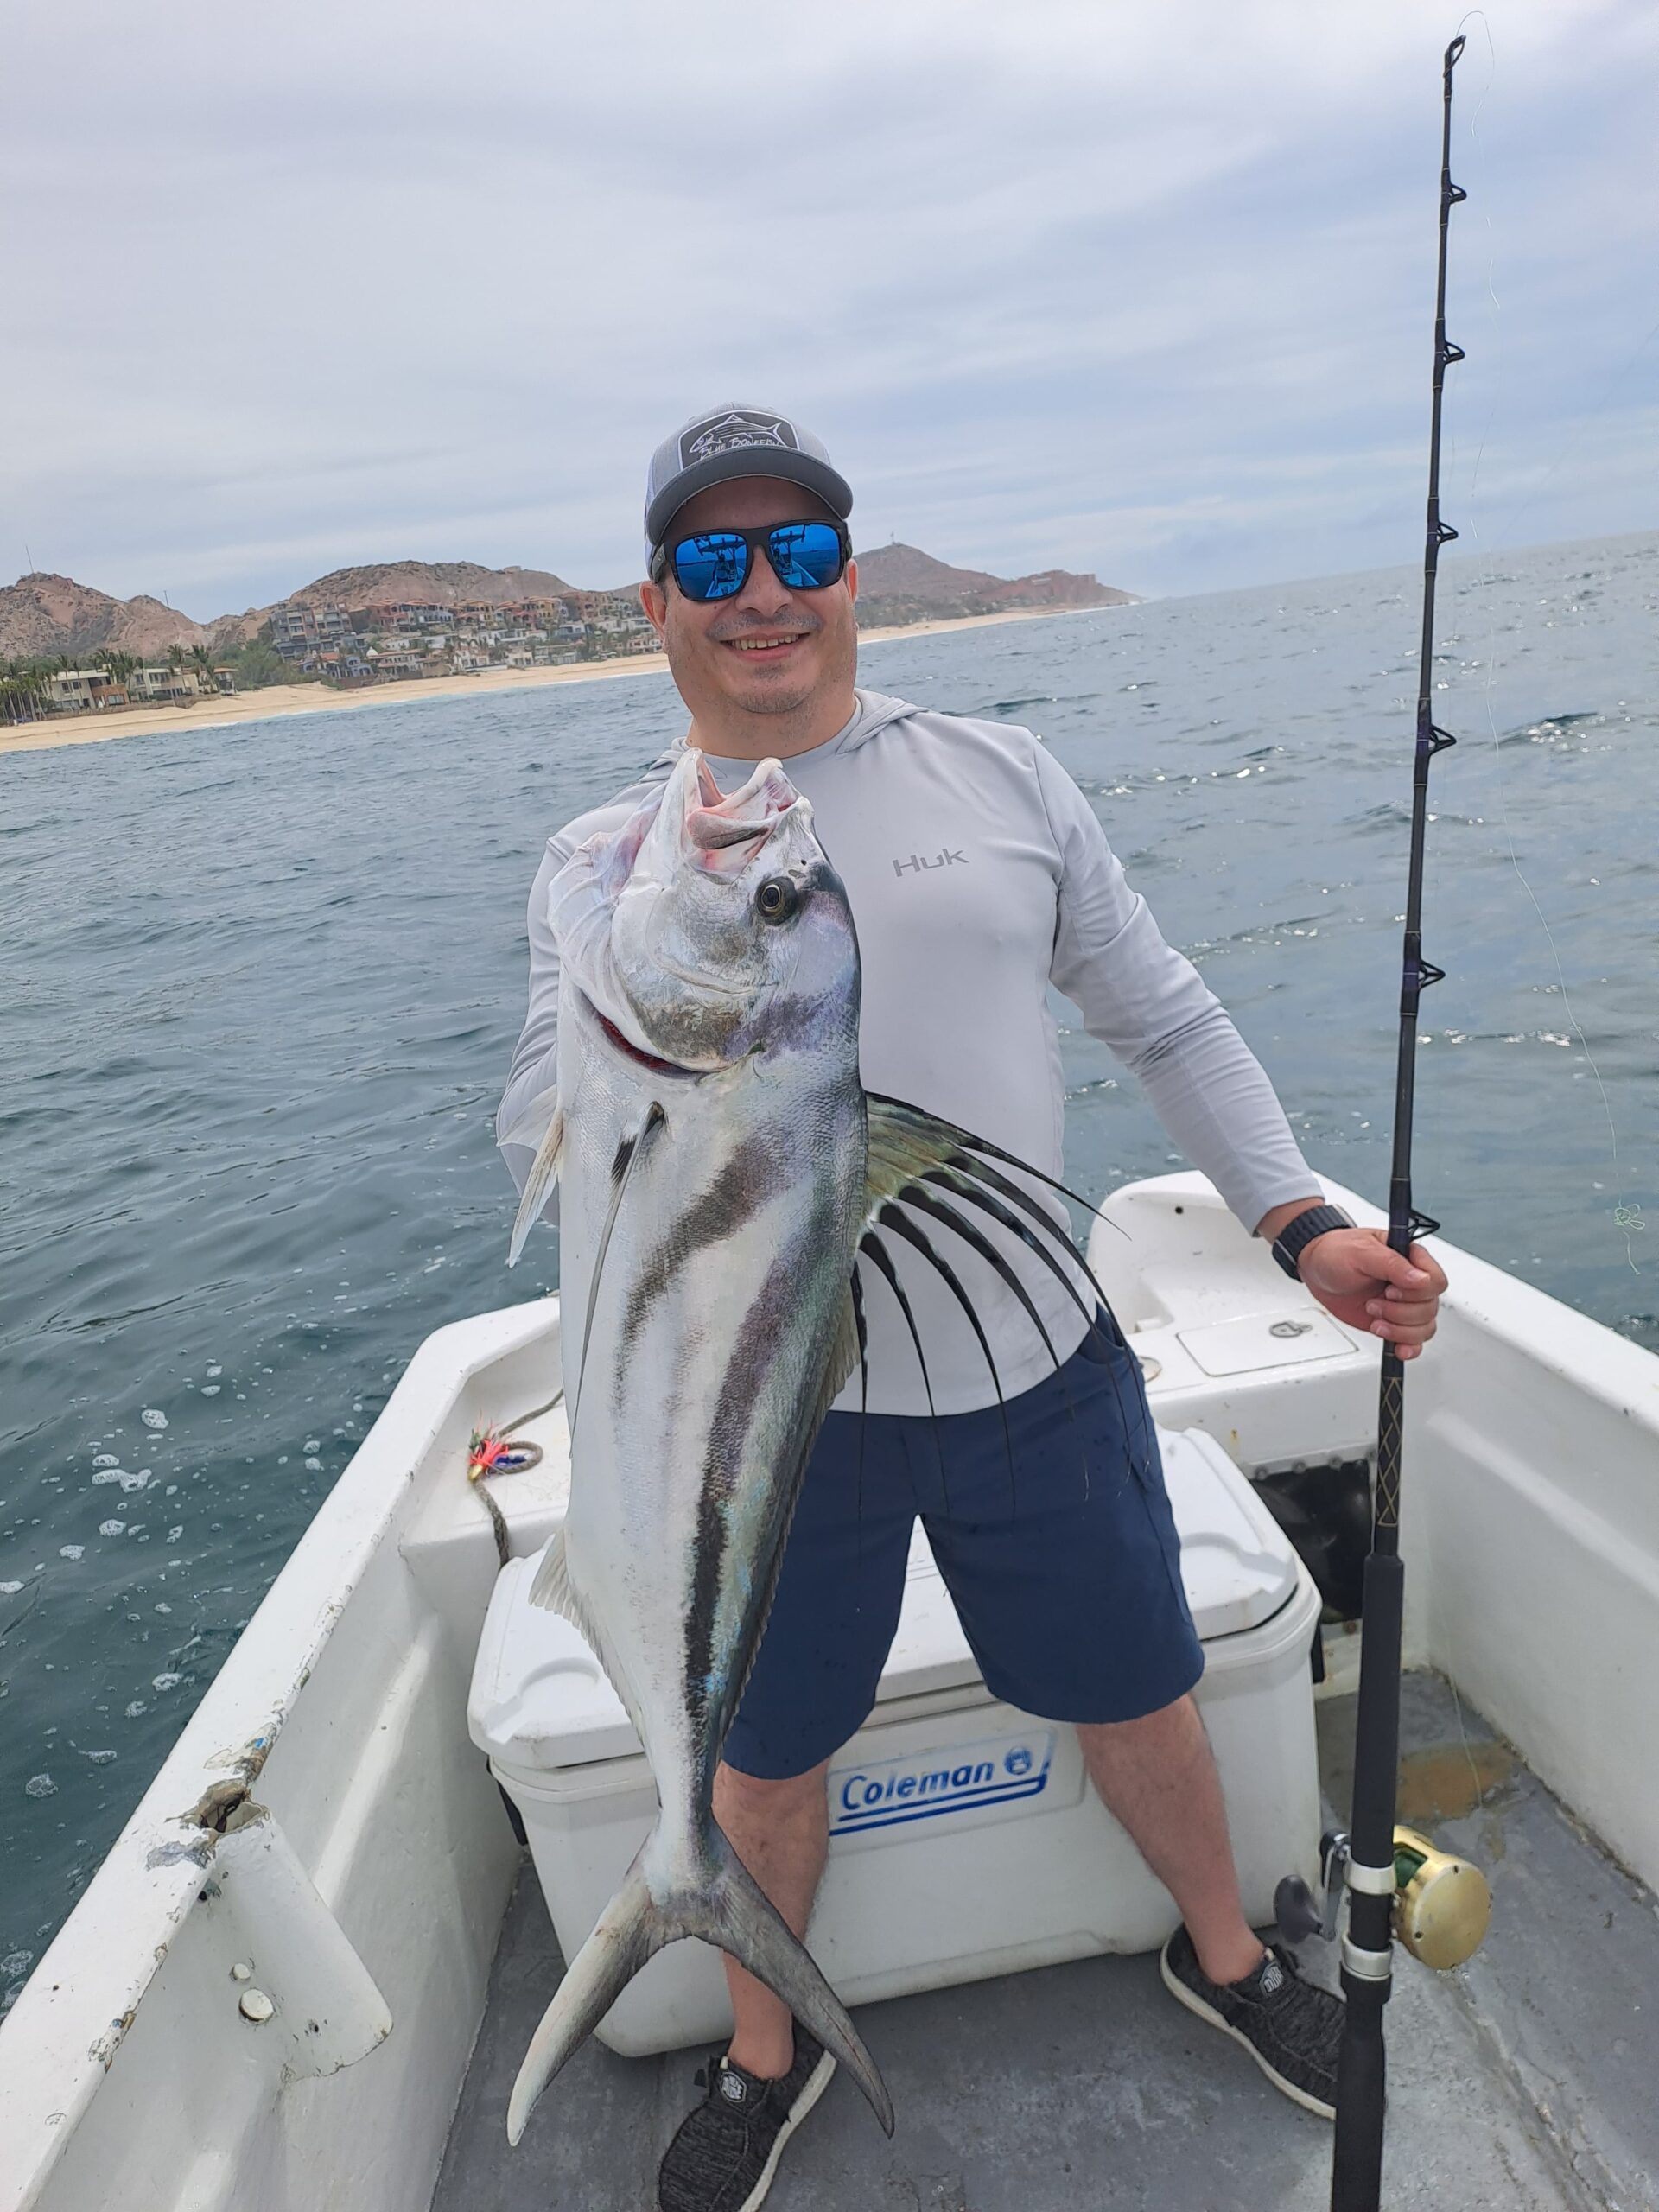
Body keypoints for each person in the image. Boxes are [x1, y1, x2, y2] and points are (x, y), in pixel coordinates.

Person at [497, 404, 1447, 2212]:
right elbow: (551, 1104)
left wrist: (1299, 1216)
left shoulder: (1002, 774)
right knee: (765, 1754)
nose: (762, 592)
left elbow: (1162, 1013)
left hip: (1035, 1366)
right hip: (772, 1428)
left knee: (1141, 1690)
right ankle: (762, 2048)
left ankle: (1226, 1954)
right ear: (658, 603)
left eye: (799, 552)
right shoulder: (597, 866)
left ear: (849, 575)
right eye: (715, 560)